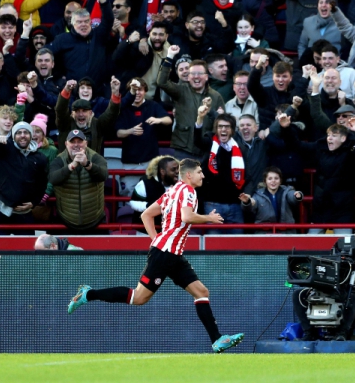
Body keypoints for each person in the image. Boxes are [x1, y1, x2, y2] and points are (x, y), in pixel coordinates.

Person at [66, 159, 245, 354]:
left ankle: (217, 339)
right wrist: (208, 218)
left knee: (201, 292)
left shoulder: (171, 192)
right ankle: (88, 294)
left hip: (171, 253)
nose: (203, 175)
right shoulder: (188, 191)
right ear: (189, 175)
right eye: (200, 172)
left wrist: (156, 239)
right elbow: (186, 217)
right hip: (165, 254)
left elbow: (146, 215)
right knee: (139, 297)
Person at [294, 226, 355, 341]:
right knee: (298, 294)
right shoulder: (338, 259)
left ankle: (341, 334)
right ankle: (310, 333)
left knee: (352, 296)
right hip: (335, 294)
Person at [49, 129, 108, 231]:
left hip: (95, 220)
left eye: (79, 141)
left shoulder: (96, 157)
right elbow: (53, 179)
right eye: (72, 142)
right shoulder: (58, 160)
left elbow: (104, 175)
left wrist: (87, 164)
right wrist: (71, 166)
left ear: (86, 143)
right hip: (66, 221)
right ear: (66, 144)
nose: (76, 145)